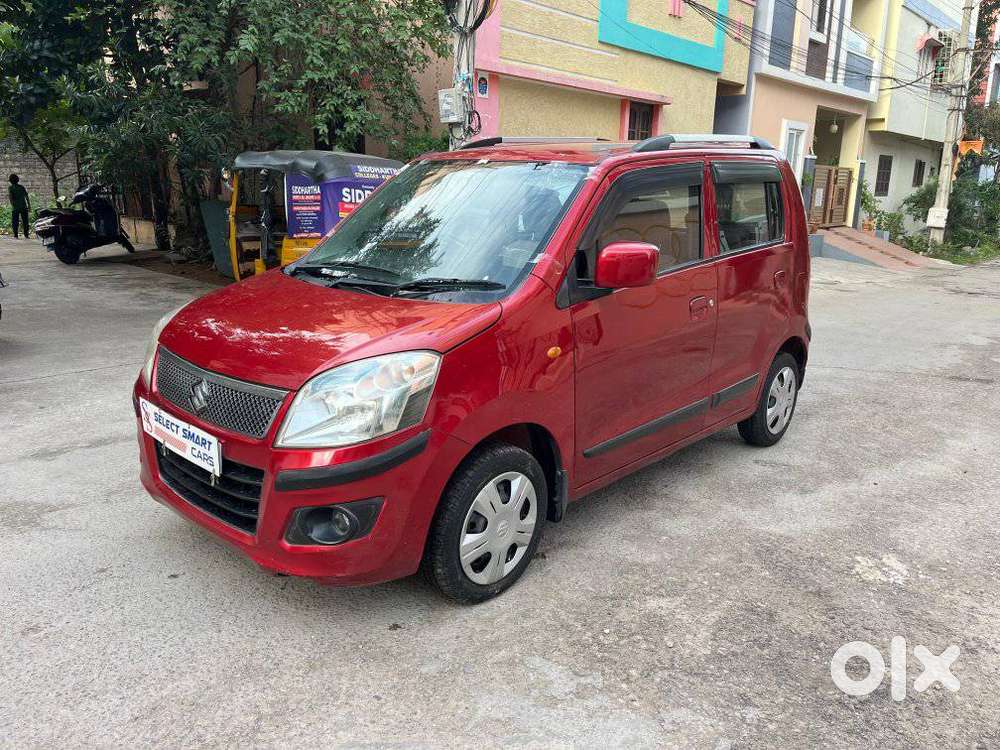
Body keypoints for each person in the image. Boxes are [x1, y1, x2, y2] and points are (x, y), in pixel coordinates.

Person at [8, 174, 31, 239]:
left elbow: (10, 197)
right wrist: (29, 206)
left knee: (15, 222)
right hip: (23, 206)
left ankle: (16, 235)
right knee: (25, 221)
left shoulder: (10, 188)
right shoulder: (21, 187)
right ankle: (26, 235)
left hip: (15, 208)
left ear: (11, 181)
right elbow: (27, 197)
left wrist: (12, 205)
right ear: (17, 180)